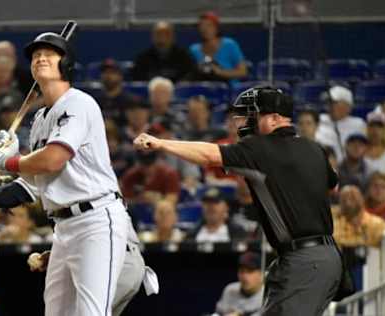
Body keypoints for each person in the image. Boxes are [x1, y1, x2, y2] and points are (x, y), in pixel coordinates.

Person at [0, 32, 157, 316]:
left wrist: (8, 162)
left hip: (96, 219)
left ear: (66, 64)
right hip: (63, 227)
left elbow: (53, 159)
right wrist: (8, 171)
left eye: (49, 54)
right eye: (36, 55)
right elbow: (40, 178)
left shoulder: (79, 103)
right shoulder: (39, 118)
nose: (40, 58)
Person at [134, 86, 344, 315]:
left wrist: (163, 143)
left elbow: (209, 155)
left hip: (305, 261)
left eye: (255, 116)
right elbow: (333, 185)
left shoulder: (260, 148)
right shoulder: (314, 148)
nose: (248, 123)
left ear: (274, 119)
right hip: (324, 256)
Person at [189, 11, 247, 84]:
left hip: (229, 89)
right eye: (201, 26)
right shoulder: (194, 49)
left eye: (209, 25)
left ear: (217, 28)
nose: (205, 29)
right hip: (203, 90)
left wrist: (219, 72)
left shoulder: (229, 44)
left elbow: (243, 72)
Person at [316, 85, 366, 163]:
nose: (329, 105)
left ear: (347, 106)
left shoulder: (358, 124)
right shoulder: (318, 120)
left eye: (334, 102)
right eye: (328, 102)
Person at [215, 252, 264, 316]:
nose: (245, 276)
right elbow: (218, 313)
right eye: (242, 271)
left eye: (250, 272)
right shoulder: (230, 290)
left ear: (261, 274)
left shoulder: (270, 296)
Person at [94, 58, 139, 126]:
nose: (108, 76)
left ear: (120, 76)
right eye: (105, 72)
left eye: (112, 72)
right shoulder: (95, 101)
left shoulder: (130, 101)